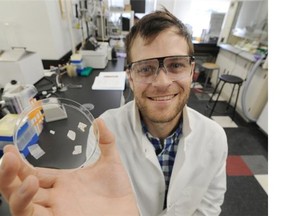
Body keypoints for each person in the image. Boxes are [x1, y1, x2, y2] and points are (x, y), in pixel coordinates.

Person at [0, 8, 228, 216]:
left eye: (176, 65)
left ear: (191, 71)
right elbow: (91, 200)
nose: (162, 82)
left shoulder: (214, 138)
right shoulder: (103, 132)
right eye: (146, 68)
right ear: (130, 76)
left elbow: (208, 206)